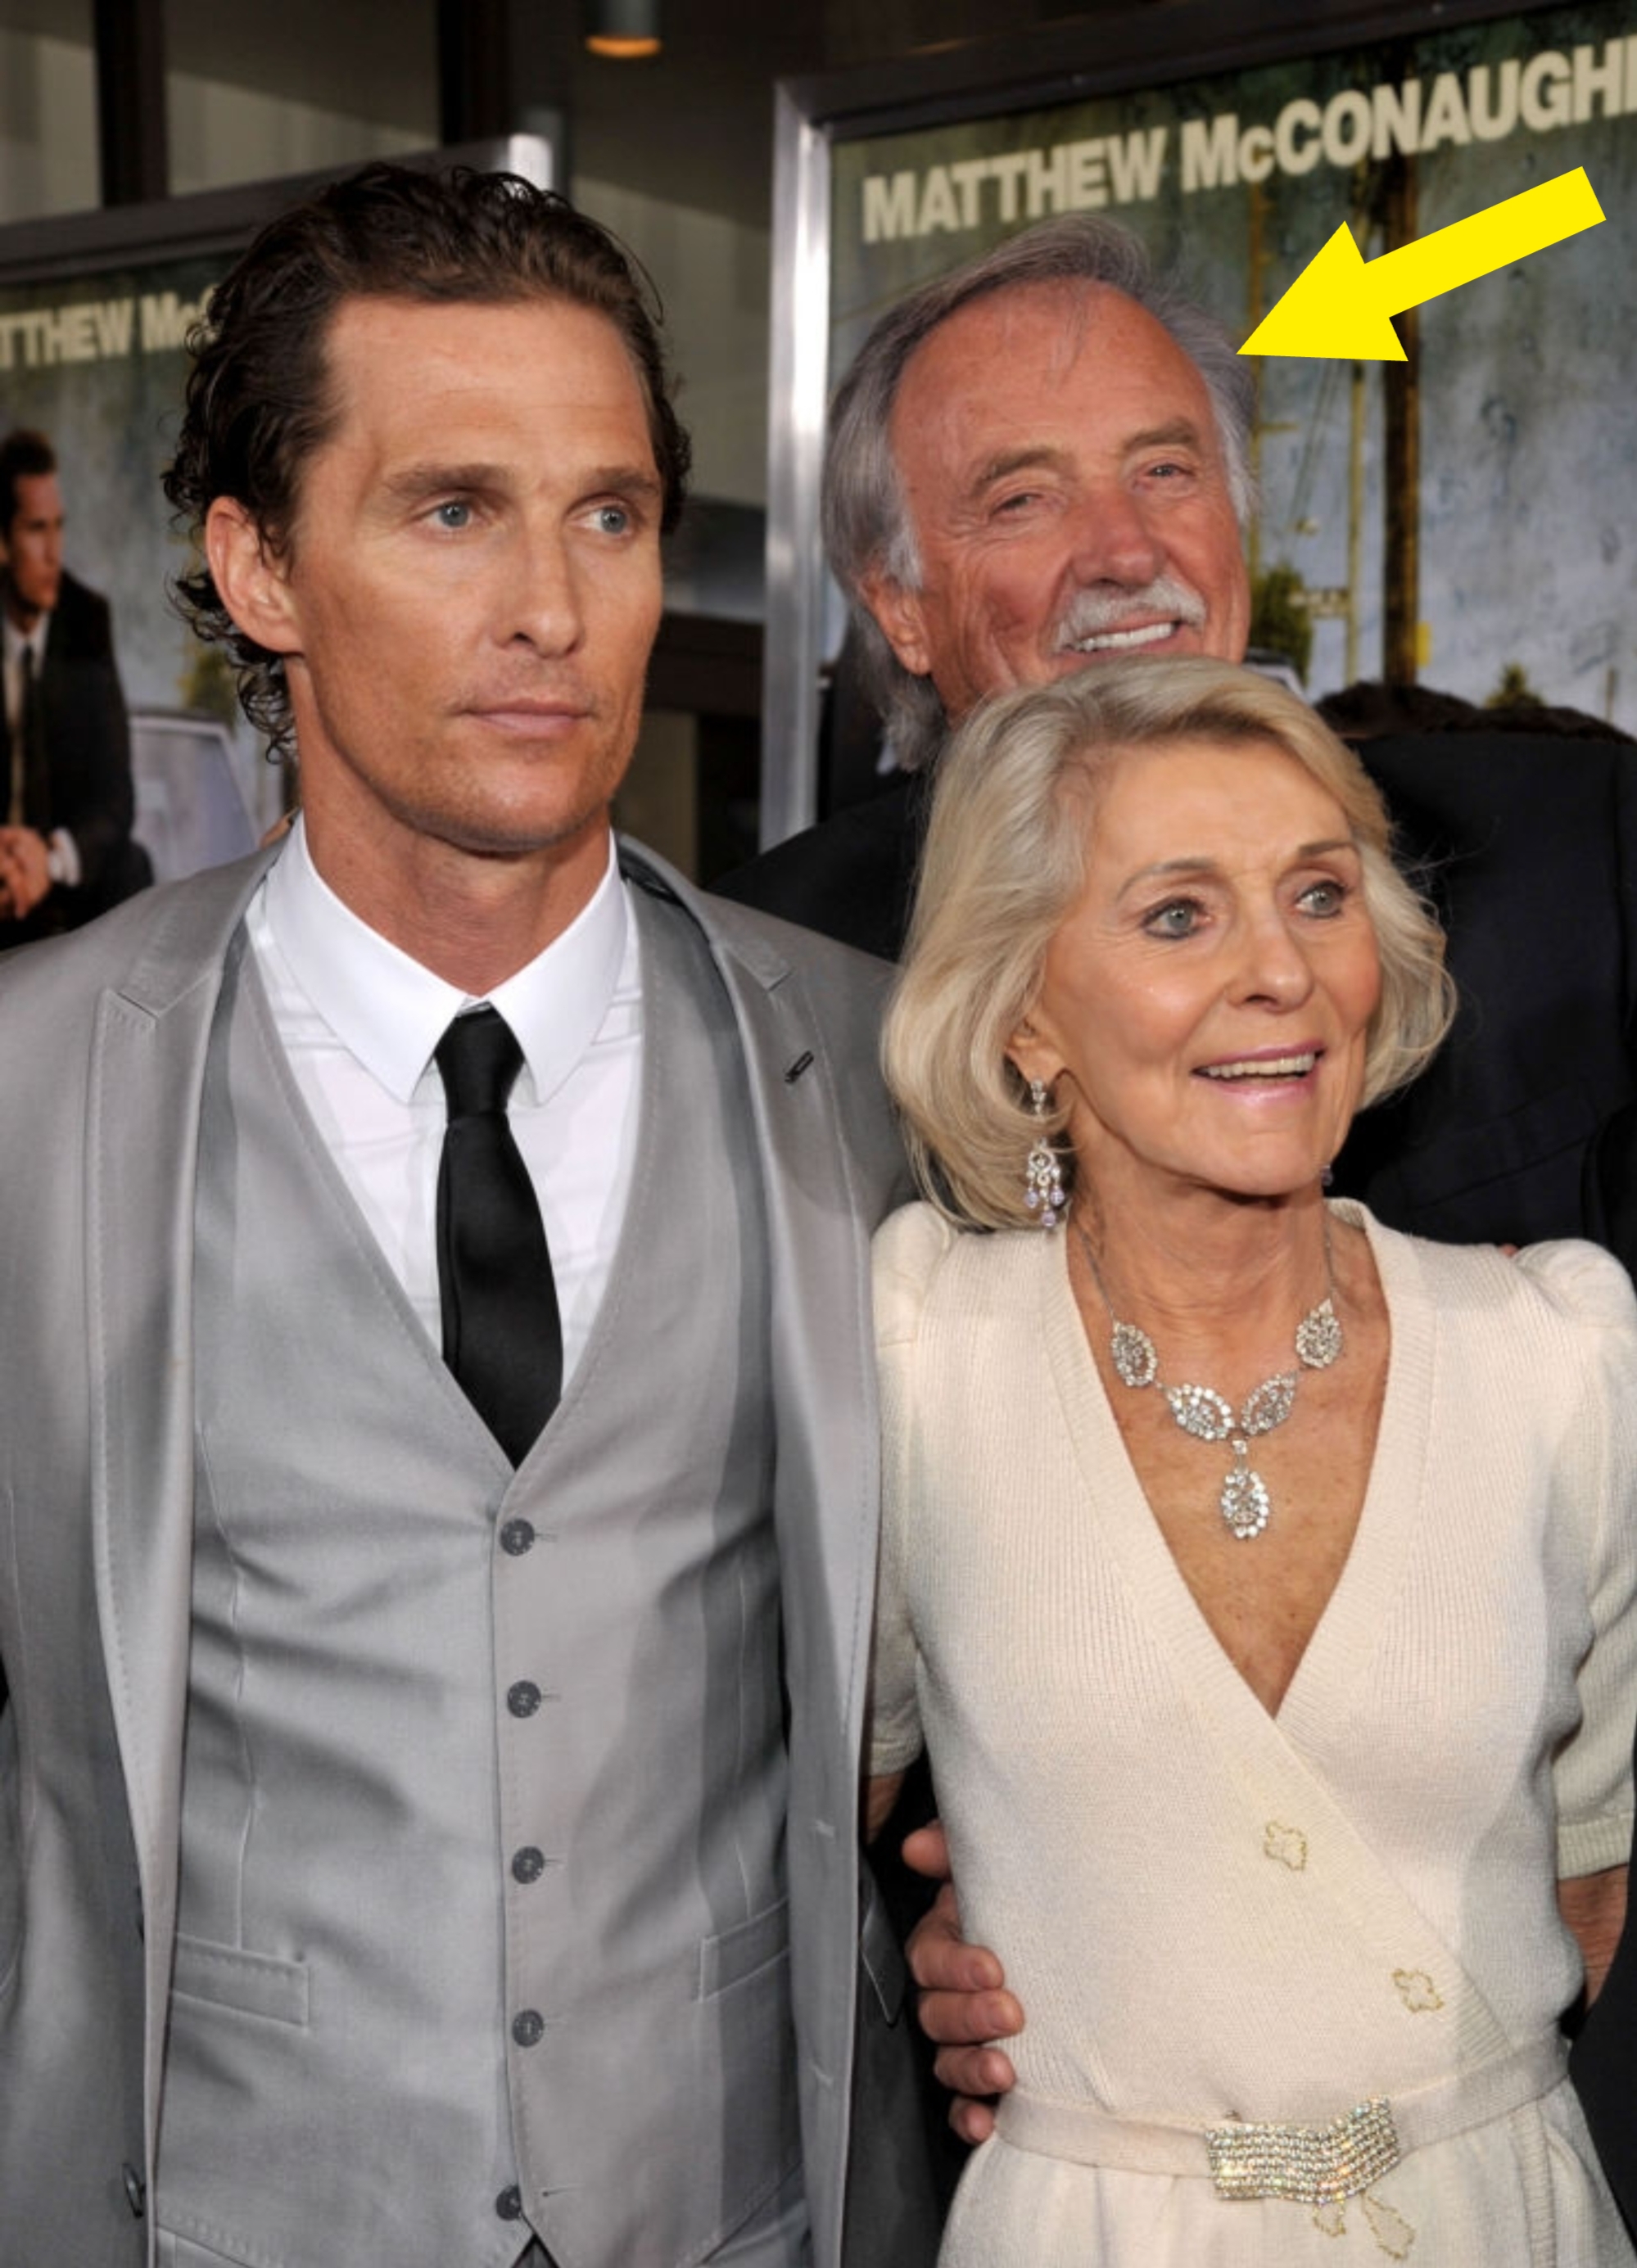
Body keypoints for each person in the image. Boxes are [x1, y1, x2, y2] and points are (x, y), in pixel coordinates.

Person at [0, 163, 941, 2268]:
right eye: (451, 511)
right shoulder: (27, 1093)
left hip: (741, 2213)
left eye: (608, 514)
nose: (553, 607)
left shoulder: (878, 1070)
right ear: (258, 565)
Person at [868, 655, 1637, 2265]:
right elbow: (798, 1831)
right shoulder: (921, 1351)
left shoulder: (1555, 1352)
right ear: (1024, 1013)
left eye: (1316, 895)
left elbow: (1590, 1889)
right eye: (1178, 915)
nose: (1280, 970)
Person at [715, 216, 1637, 1262]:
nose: (1124, 550)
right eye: (1023, 499)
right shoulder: (763, 981)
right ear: (899, 607)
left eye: (1163, 470)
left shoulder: (1574, 858)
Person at [0, 427, 147, 942]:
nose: (53, 552)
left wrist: (49, 859)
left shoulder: (86, 620)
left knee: (132, 865)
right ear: (2, 543)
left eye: (58, 528)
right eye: (36, 530)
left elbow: (115, 799)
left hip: (59, 881)